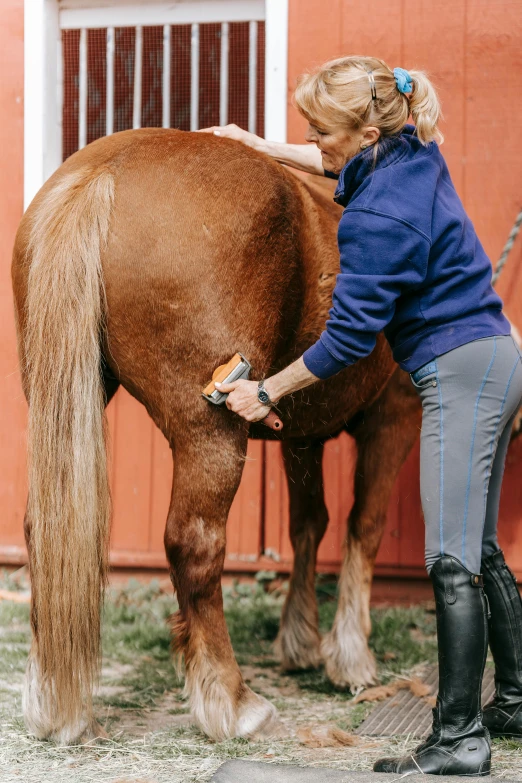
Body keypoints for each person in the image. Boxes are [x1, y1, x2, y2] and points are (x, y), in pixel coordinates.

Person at [200, 56, 522, 775]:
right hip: (495, 357)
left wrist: (268, 391)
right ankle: (519, 698)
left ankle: (461, 737)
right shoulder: (412, 147)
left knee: (449, 561)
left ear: (366, 132)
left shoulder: (378, 216)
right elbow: (327, 155)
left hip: (458, 371)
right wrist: (255, 143)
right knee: (482, 548)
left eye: (320, 130)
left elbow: (346, 339)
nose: (311, 140)